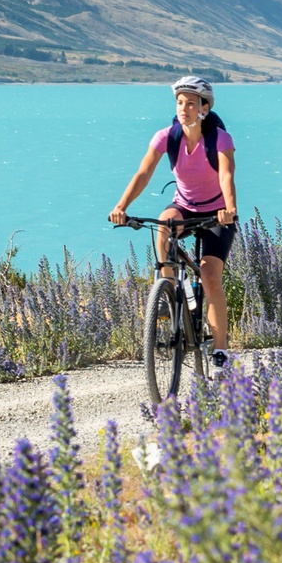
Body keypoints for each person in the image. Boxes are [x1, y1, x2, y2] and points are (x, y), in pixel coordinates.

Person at [109, 75, 239, 370]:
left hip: (217, 212)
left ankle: (220, 352)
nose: (184, 109)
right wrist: (121, 206)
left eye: (191, 104)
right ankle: (167, 288)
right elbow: (143, 173)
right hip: (184, 206)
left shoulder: (220, 139)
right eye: (180, 103)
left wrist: (229, 208)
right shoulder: (166, 136)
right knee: (164, 224)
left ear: (204, 108)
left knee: (209, 274)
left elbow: (226, 175)